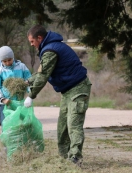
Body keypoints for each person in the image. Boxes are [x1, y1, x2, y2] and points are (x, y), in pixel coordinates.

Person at [24, 25, 92, 165]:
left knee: (73, 125)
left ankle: (75, 158)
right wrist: (27, 81)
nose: (31, 45)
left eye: (32, 41)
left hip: (78, 89)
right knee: (62, 127)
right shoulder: (50, 47)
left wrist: (31, 95)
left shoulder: (50, 50)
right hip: (67, 91)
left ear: (39, 38)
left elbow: (43, 76)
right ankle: (64, 157)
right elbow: (42, 71)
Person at [0, 46, 31, 127]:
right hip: (5, 104)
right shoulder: (0, 72)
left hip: (19, 102)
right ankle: (8, 140)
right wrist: (2, 99)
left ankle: (21, 139)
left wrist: (29, 94)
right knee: (7, 125)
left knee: (21, 125)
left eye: (9, 60)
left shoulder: (21, 67)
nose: (7, 63)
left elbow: (29, 80)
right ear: (1, 61)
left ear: (13, 57)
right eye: (4, 61)